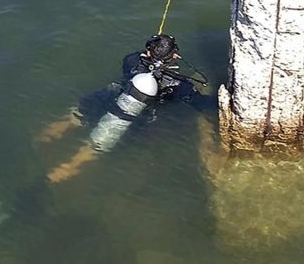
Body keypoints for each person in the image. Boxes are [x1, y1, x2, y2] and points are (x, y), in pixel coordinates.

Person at [41, 34, 204, 183]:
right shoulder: (179, 85)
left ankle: (44, 138)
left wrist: (151, 54)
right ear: (175, 56)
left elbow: (136, 59)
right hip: (129, 113)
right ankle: (64, 170)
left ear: (148, 51)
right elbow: (202, 104)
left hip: (110, 94)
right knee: (94, 146)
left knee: (76, 115)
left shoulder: (132, 61)